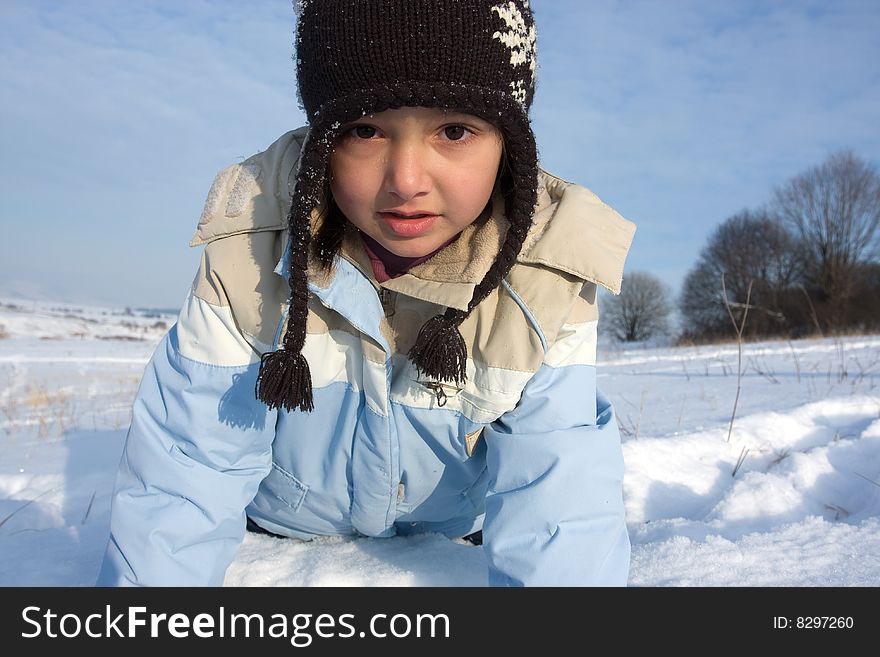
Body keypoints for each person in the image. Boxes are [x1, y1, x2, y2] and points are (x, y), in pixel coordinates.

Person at [97, 0, 636, 587]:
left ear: (507, 141)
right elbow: (188, 468)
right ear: (324, 139)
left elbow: (560, 494)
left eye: (454, 131)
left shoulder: (548, 274)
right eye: (364, 129)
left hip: (447, 529)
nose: (406, 179)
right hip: (280, 527)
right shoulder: (247, 250)